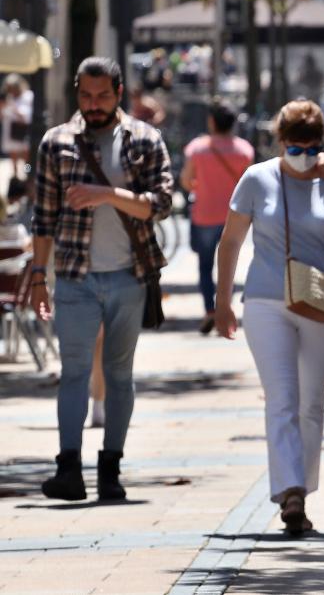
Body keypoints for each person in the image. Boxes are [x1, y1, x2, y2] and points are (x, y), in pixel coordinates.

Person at [215, 100, 324, 535]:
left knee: (311, 403)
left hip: (323, 301)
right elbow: (230, 242)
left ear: (320, 142)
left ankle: (301, 484)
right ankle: (291, 493)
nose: (302, 155)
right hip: (266, 299)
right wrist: (222, 300)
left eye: (310, 146)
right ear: (279, 142)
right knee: (281, 398)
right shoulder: (257, 179)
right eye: (293, 147)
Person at [31, 56, 174, 502]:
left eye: (103, 97)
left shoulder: (145, 139)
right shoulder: (56, 143)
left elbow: (162, 203)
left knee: (119, 374)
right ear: (77, 92)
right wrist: (38, 273)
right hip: (74, 276)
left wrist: (107, 194)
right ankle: (68, 468)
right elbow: (44, 216)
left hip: (129, 277)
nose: (94, 105)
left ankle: (110, 470)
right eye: (86, 96)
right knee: (73, 372)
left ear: (119, 93)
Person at [180, 102, 254, 334]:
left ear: (212, 122)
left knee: (205, 265)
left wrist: (200, 187)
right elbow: (250, 184)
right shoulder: (244, 150)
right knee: (228, 263)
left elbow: (185, 180)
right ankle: (225, 307)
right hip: (234, 216)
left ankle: (210, 311)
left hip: (204, 214)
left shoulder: (197, 148)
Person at [1, 73, 33, 178]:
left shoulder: (28, 96)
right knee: (13, 155)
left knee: (26, 155)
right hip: (10, 131)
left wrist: (13, 108)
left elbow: (27, 116)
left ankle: (27, 175)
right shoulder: (8, 97)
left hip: (23, 131)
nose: (11, 91)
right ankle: (15, 177)